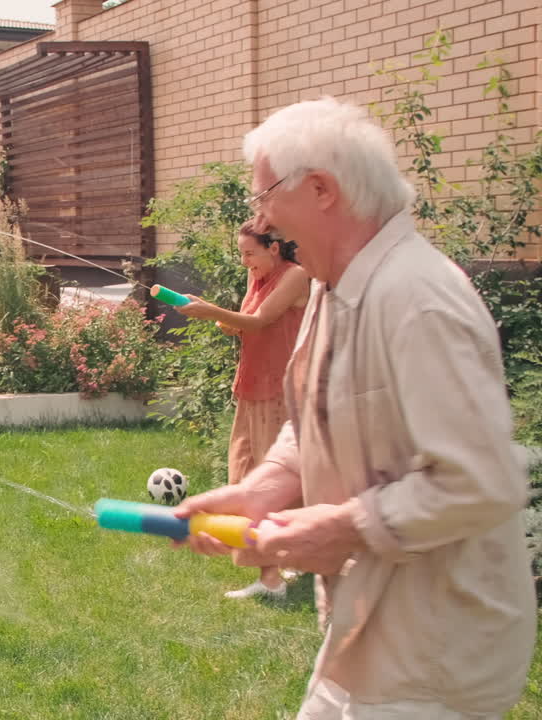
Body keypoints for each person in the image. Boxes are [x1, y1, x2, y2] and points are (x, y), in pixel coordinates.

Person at [175, 97, 535, 718]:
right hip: (368, 631)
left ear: (320, 189)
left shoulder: (417, 300)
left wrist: (335, 528)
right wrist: (265, 488)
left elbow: (481, 482)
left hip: (437, 654)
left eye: (264, 196)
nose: (260, 217)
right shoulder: (332, 285)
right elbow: (317, 416)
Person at [174, 219, 310, 598]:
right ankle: (287, 560)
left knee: (267, 485)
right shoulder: (258, 275)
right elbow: (240, 324)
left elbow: (261, 320)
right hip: (251, 384)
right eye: (241, 254)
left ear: (273, 248)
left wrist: (210, 311)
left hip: (278, 389)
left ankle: (272, 580)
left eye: (249, 252)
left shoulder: (295, 276)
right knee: (243, 475)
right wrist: (215, 318)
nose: (245, 261)